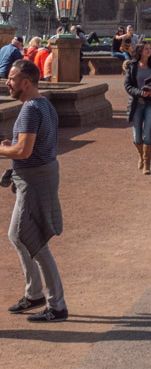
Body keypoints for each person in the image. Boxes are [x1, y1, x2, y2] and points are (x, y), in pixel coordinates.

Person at [1, 59, 68, 321]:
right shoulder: (45, 105)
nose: (7, 82)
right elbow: (26, 146)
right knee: (18, 236)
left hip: (35, 179)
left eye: (11, 78)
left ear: (25, 82)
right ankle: (35, 294)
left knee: (35, 241)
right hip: (41, 175)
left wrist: (5, 148)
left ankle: (57, 305)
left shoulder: (30, 109)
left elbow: (23, 151)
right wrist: (12, 144)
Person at [123, 40, 151, 174]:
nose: (149, 51)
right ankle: (141, 155)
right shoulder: (132, 67)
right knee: (137, 135)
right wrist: (140, 93)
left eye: (150, 48)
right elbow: (128, 86)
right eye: (146, 49)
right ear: (140, 51)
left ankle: (147, 165)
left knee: (147, 131)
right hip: (137, 103)